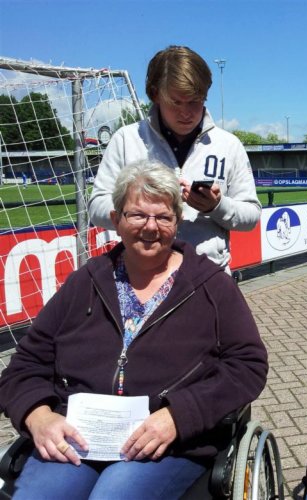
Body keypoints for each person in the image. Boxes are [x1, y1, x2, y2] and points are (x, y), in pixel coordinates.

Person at [0, 160, 268, 499]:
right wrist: (38, 416)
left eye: (163, 217)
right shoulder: (85, 282)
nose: (151, 227)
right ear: (116, 220)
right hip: (77, 434)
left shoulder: (212, 286)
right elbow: (24, 366)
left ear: (178, 221)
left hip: (166, 442)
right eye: (138, 215)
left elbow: (247, 366)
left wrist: (178, 416)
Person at [89, 45, 261, 273]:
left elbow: (251, 216)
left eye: (195, 101)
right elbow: (97, 207)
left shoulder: (228, 145)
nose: (186, 113)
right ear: (155, 95)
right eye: (176, 102)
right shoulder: (126, 139)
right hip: (142, 277)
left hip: (209, 276)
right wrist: (146, 210)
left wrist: (217, 206)